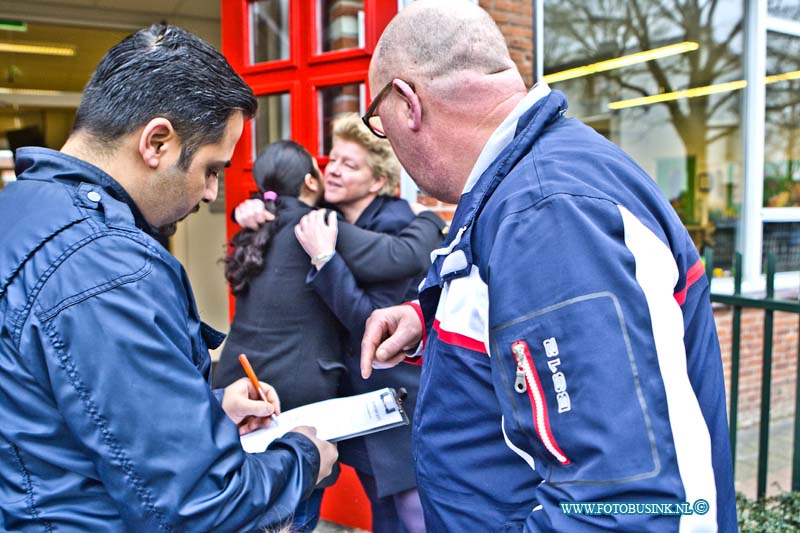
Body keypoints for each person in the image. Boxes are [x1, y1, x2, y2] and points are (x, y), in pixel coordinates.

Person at [359, 1, 738, 531]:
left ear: (407, 102)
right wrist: (430, 319)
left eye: (377, 121)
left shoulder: (546, 212)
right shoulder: (534, 179)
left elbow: (618, 506)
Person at [0, 25, 337, 532]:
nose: (209, 193)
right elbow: (199, 506)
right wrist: (302, 458)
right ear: (157, 141)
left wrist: (204, 412)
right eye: (211, 169)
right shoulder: (108, 269)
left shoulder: (18, 212)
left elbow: (54, 412)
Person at [214, 139, 444, 531]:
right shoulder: (316, 222)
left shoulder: (265, 226)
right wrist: (432, 219)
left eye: (348, 164)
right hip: (298, 397)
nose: (334, 169)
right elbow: (403, 255)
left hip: (249, 389)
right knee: (290, 513)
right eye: (330, 162)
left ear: (378, 181)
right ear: (309, 181)